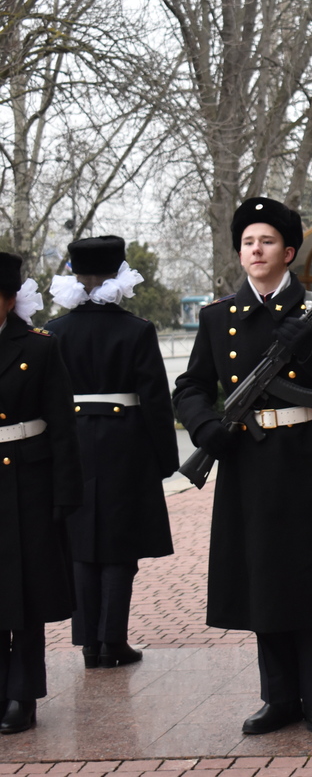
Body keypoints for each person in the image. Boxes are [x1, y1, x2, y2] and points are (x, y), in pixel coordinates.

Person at [173, 198, 312, 735]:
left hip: (310, 453)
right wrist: (203, 424)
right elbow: (191, 385)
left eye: (265, 242)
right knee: (265, 578)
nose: (255, 251)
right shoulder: (219, 317)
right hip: (249, 458)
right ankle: (278, 696)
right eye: (247, 243)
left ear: (288, 253)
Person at [45, 235, 179, 671]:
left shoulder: (54, 332)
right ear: (119, 272)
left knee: (81, 547)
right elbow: (157, 401)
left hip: (73, 443)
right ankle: (112, 641)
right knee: (120, 550)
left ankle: (88, 642)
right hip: (127, 445)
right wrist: (165, 461)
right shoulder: (136, 329)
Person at [0, 253, 81, 734]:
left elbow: (62, 427)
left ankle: (21, 695)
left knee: (25, 597)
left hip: (27, 482)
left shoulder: (39, 347)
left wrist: (65, 493)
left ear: (9, 299)